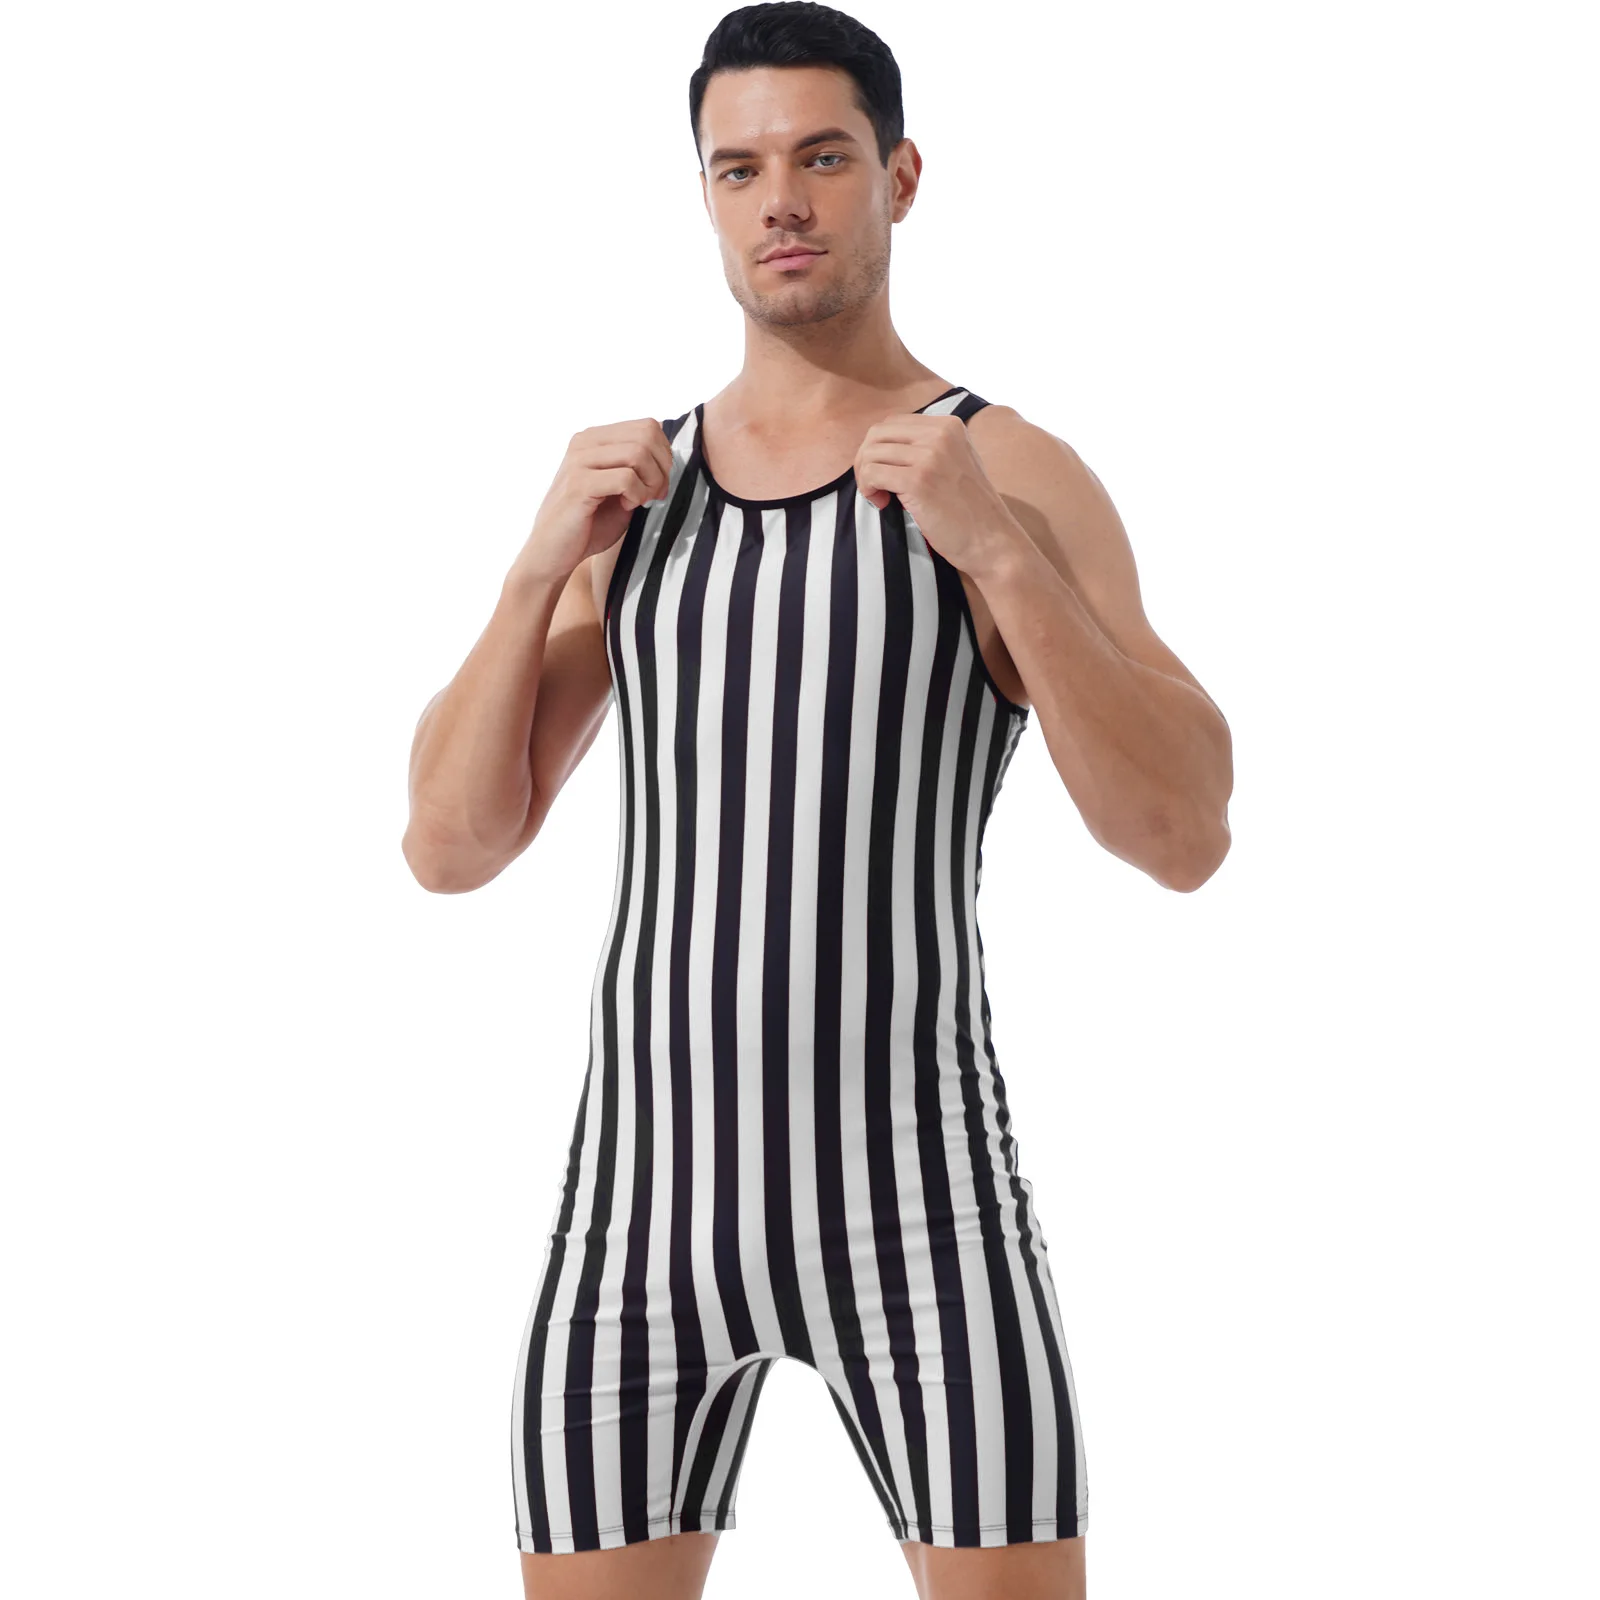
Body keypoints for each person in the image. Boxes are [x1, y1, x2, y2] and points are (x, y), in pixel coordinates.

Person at [402, 5, 1233, 1596]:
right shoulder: (639, 497)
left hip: (921, 1220)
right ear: (706, 194)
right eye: (741, 168)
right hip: (636, 1226)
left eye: (823, 158)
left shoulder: (1007, 469)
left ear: (900, 178)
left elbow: (1184, 834)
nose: (780, 200)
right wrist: (528, 578)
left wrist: (1000, 558)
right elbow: (450, 847)